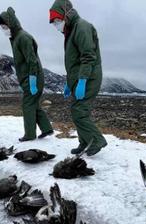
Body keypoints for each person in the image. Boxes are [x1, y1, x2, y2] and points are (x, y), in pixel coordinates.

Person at [49, 0, 107, 156]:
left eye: (57, 20)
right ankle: (85, 142)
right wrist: (69, 83)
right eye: (54, 22)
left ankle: (97, 141)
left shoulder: (81, 27)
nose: (56, 25)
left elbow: (88, 56)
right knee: (79, 111)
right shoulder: (71, 30)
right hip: (79, 78)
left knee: (79, 111)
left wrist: (82, 81)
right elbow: (73, 62)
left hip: (89, 77)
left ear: (66, 15)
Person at [0, 7, 54, 142]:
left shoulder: (23, 38)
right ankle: (47, 129)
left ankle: (29, 134)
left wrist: (33, 80)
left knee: (27, 104)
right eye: (2, 27)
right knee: (33, 104)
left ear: (11, 24)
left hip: (32, 77)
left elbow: (32, 60)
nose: (3, 29)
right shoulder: (16, 38)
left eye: (4, 26)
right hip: (28, 78)